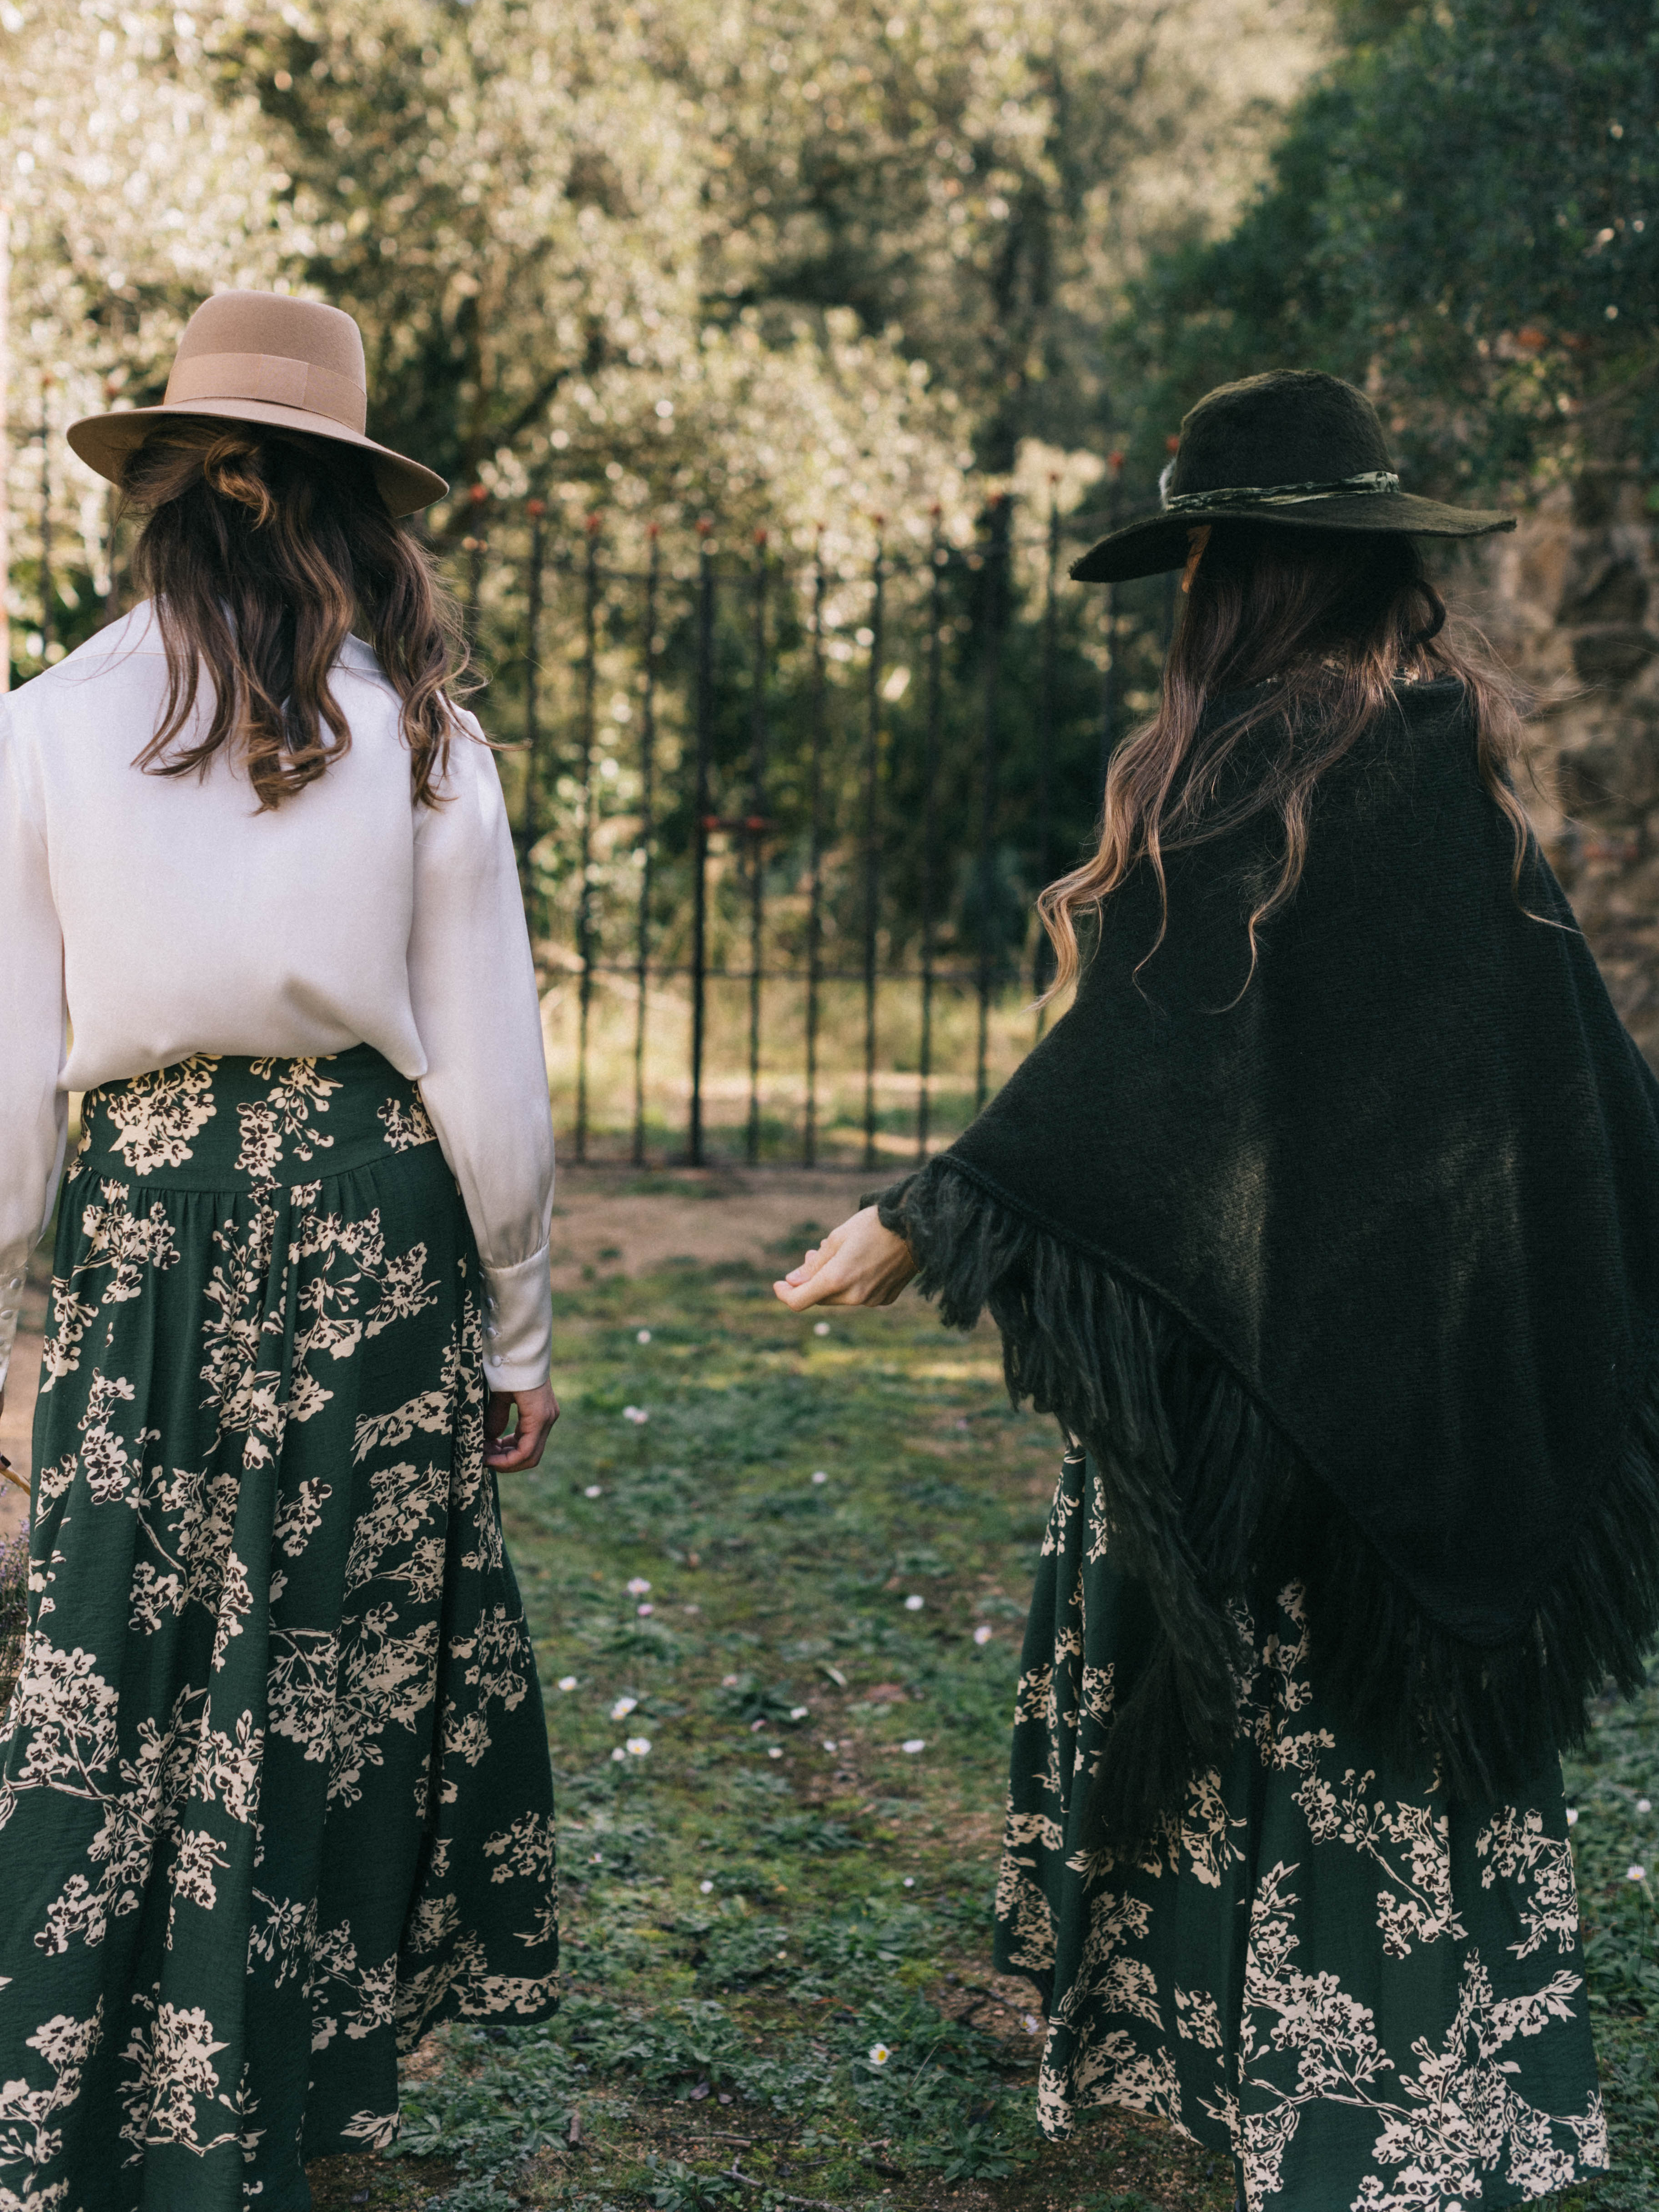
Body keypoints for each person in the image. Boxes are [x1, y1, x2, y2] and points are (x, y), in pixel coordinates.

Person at [776, 368, 1659, 2210]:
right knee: (1373, 1758)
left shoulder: (1303, 780)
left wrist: (936, 1211)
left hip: (1272, 1426)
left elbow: (1145, 1076)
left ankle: (1329, 2129)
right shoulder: (1431, 777)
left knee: (1295, 1730)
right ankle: (1397, 2117)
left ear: (1233, 577)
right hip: (1390, 1380)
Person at [0, 290, 560, 2211]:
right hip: (368, 1222)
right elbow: (488, 1070)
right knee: (320, 1660)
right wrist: (517, 1323)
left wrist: (10, 1344)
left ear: (161, 501)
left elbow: (6, 1103)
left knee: (123, 1651)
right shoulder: (422, 748)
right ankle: (282, 2093)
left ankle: (95, 2092)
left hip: (144, 1223)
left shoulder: (47, 730)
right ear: (358, 516)